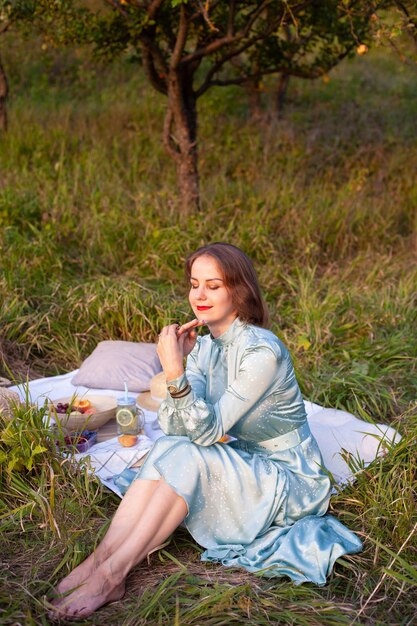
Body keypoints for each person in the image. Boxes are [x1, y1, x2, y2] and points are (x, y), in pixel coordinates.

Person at [50, 242, 362, 619]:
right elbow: (174, 424)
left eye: (213, 285)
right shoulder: (206, 347)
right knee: (172, 446)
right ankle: (100, 561)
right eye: (194, 283)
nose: (199, 294)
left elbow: (207, 429)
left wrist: (173, 372)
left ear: (239, 291)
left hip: (289, 480)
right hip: (245, 463)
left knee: (190, 451)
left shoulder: (263, 352)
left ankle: (112, 576)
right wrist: (182, 366)